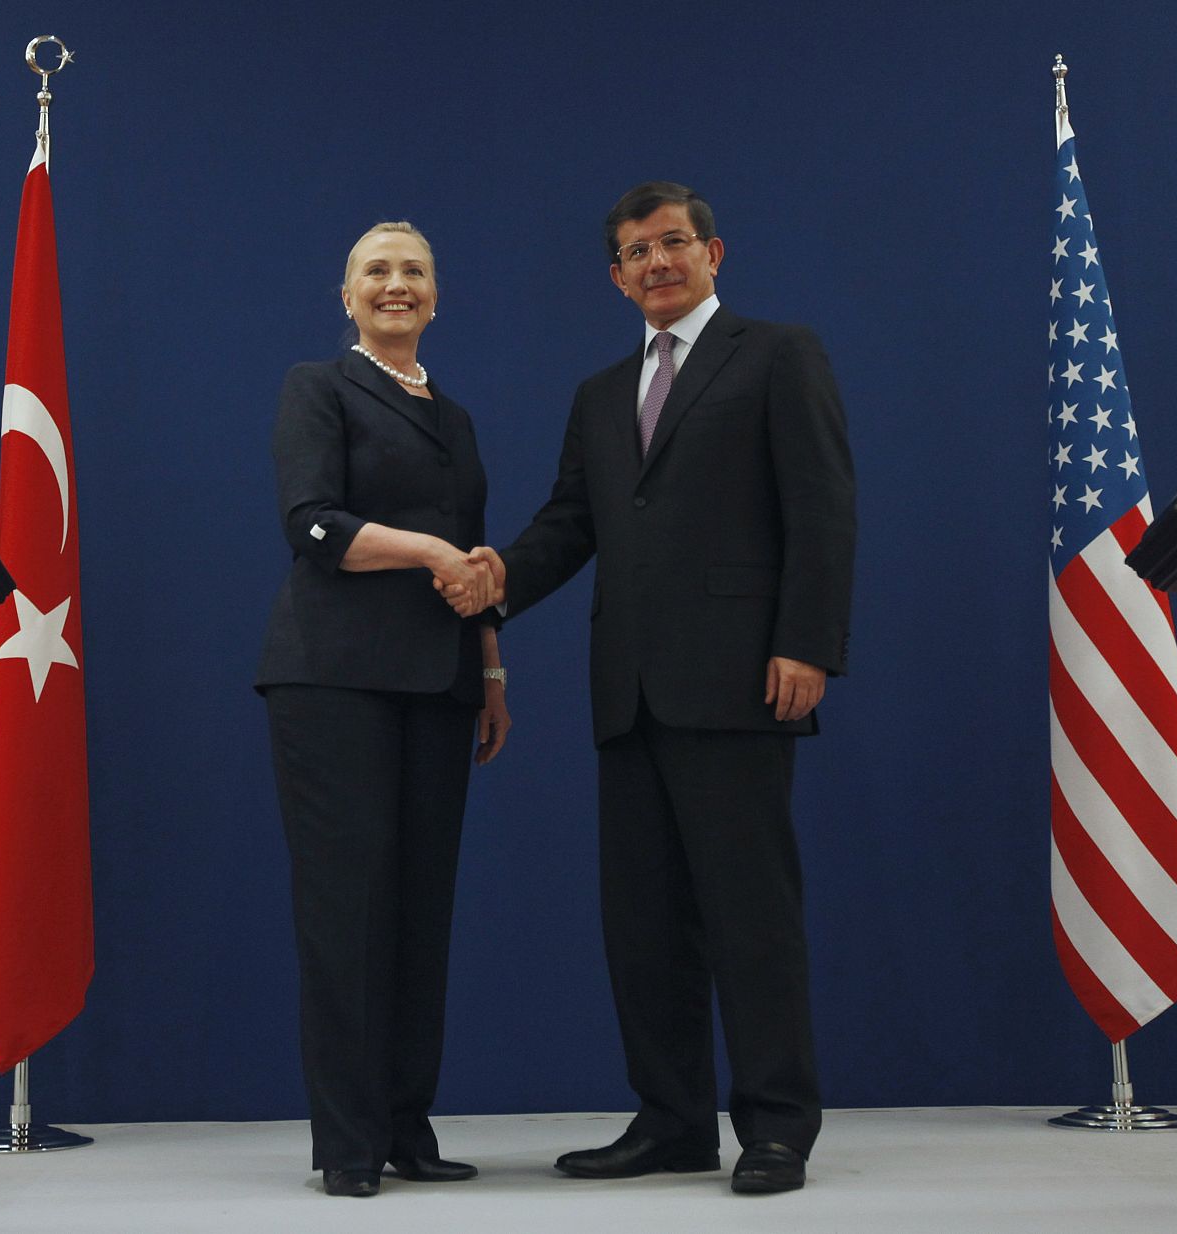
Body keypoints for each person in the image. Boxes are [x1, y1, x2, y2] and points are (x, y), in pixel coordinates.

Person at [446, 182, 854, 1194]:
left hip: (741, 682)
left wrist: (806, 643)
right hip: (627, 693)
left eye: (673, 242)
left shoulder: (777, 353)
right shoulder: (600, 394)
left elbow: (822, 505)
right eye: (636, 252)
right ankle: (672, 1123)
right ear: (616, 277)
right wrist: (499, 576)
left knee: (750, 918)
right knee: (646, 927)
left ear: (714, 252)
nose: (657, 262)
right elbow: (571, 523)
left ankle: (776, 1127)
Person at [256, 221, 509, 1198]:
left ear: (436, 297)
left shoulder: (457, 418)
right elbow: (311, 523)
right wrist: (431, 552)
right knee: (348, 914)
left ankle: (407, 1124)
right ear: (347, 296)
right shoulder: (316, 387)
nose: (395, 284)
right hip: (335, 681)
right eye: (377, 270)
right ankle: (350, 1142)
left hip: (440, 683)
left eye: (414, 271)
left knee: (418, 912)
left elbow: (473, 553)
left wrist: (491, 671)